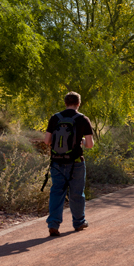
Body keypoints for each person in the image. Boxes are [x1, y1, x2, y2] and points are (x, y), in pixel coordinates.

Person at [44, 91, 94, 237]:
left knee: (57, 192)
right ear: (78, 104)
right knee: (76, 193)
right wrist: (82, 141)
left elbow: (47, 141)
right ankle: (79, 222)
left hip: (57, 162)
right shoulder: (83, 119)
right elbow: (89, 145)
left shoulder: (55, 118)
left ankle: (53, 224)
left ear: (65, 103)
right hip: (76, 163)